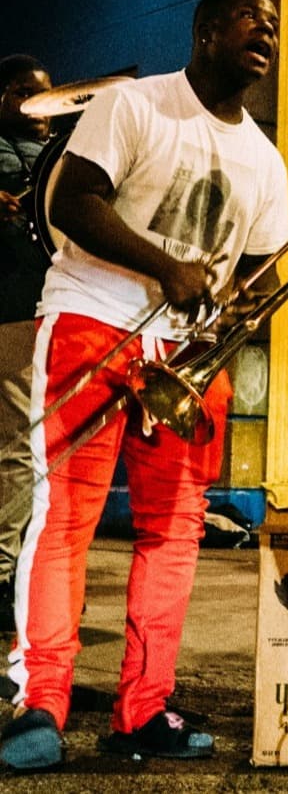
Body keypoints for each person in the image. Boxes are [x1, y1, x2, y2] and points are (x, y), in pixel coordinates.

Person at [0, 0, 288, 771]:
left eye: (273, 24)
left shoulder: (267, 159)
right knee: (65, 517)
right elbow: (74, 201)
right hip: (93, 316)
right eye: (248, 17)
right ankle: (41, 700)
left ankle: (143, 707)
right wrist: (169, 268)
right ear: (202, 30)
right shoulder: (135, 105)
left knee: (175, 532)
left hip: (188, 356)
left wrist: (244, 313)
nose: (264, 30)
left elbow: (256, 273)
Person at [0, 55, 54, 632]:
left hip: (46, 312)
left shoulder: (60, 159)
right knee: (20, 444)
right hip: (11, 312)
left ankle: (20, 566)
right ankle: (4, 570)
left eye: (48, 95)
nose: (42, 106)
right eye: (25, 95)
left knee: (29, 443)